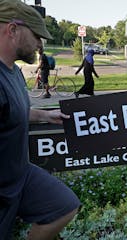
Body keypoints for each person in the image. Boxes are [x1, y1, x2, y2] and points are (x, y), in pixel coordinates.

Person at [0, 0, 81, 239]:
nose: (40, 44)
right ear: (13, 30)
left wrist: (45, 115)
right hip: (2, 189)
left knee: (64, 206)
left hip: (20, 175)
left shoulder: (13, 72)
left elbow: (13, 111)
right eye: (36, 36)